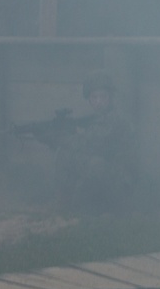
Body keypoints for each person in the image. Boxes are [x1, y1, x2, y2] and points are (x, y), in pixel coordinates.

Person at [54, 71, 140, 214]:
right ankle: (67, 206)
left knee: (90, 162)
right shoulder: (100, 118)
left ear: (110, 97)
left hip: (122, 182)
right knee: (65, 154)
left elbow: (91, 144)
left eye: (103, 97)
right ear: (89, 99)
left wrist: (59, 138)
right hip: (112, 177)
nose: (98, 101)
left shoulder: (114, 119)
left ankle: (72, 207)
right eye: (94, 97)